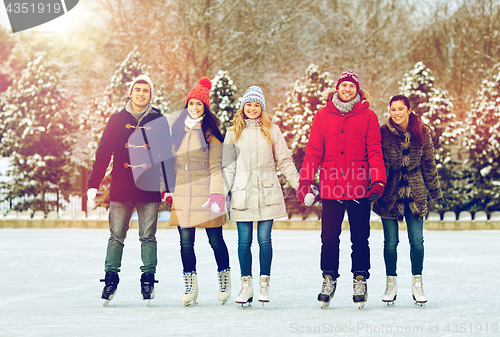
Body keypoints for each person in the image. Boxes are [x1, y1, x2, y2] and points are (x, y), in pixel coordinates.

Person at [297, 70, 386, 309]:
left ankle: (360, 278)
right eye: (343, 86)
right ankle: (328, 278)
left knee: (360, 237)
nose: (347, 90)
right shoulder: (322, 116)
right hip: (331, 186)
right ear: (337, 88)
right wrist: (305, 181)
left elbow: (375, 151)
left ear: (358, 90)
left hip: (359, 186)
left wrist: (378, 180)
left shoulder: (368, 116)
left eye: (352, 86)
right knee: (328, 237)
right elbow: (314, 151)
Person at [87, 74, 175, 305]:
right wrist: (93, 184)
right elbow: (103, 152)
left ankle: (148, 279)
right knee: (116, 235)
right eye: (137, 89)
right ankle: (110, 278)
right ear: (130, 92)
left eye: (145, 90)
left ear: (150, 95)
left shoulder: (158, 120)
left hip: (148, 187)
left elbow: (166, 156)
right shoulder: (116, 120)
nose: (141, 93)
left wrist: (170, 186)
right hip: (121, 186)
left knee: (148, 236)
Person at [222, 86, 300, 305]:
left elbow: (284, 161)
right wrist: (220, 194)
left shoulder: (272, 130)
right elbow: (227, 167)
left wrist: (299, 185)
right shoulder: (232, 133)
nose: (253, 108)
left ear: (262, 108)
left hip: (267, 192)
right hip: (242, 194)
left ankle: (264, 284)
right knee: (244, 241)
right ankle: (246, 286)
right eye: (249, 104)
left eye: (257, 105)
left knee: (264, 240)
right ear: (243, 107)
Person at [373, 94, 447, 307]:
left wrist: (435, 191)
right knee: (391, 243)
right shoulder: (383, 132)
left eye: (400, 109)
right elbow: (377, 162)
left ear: (408, 110)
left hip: (415, 191)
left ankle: (417, 282)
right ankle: (391, 282)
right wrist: (374, 188)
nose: (396, 113)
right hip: (390, 192)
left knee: (417, 241)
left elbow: (429, 164)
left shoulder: (422, 131)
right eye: (393, 109)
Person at [169, 77, 231, 306]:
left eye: (199, 104)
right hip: (184, 194)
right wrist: (168, 189)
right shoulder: (178, 130)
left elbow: (217, 167)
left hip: (206, 194)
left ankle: (224, 278)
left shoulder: (211, 134)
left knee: (215, 240)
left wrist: (216, 195)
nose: (194, 108)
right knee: (186, 243)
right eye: (191, 103)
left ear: (205, 107)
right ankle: (190, 286)